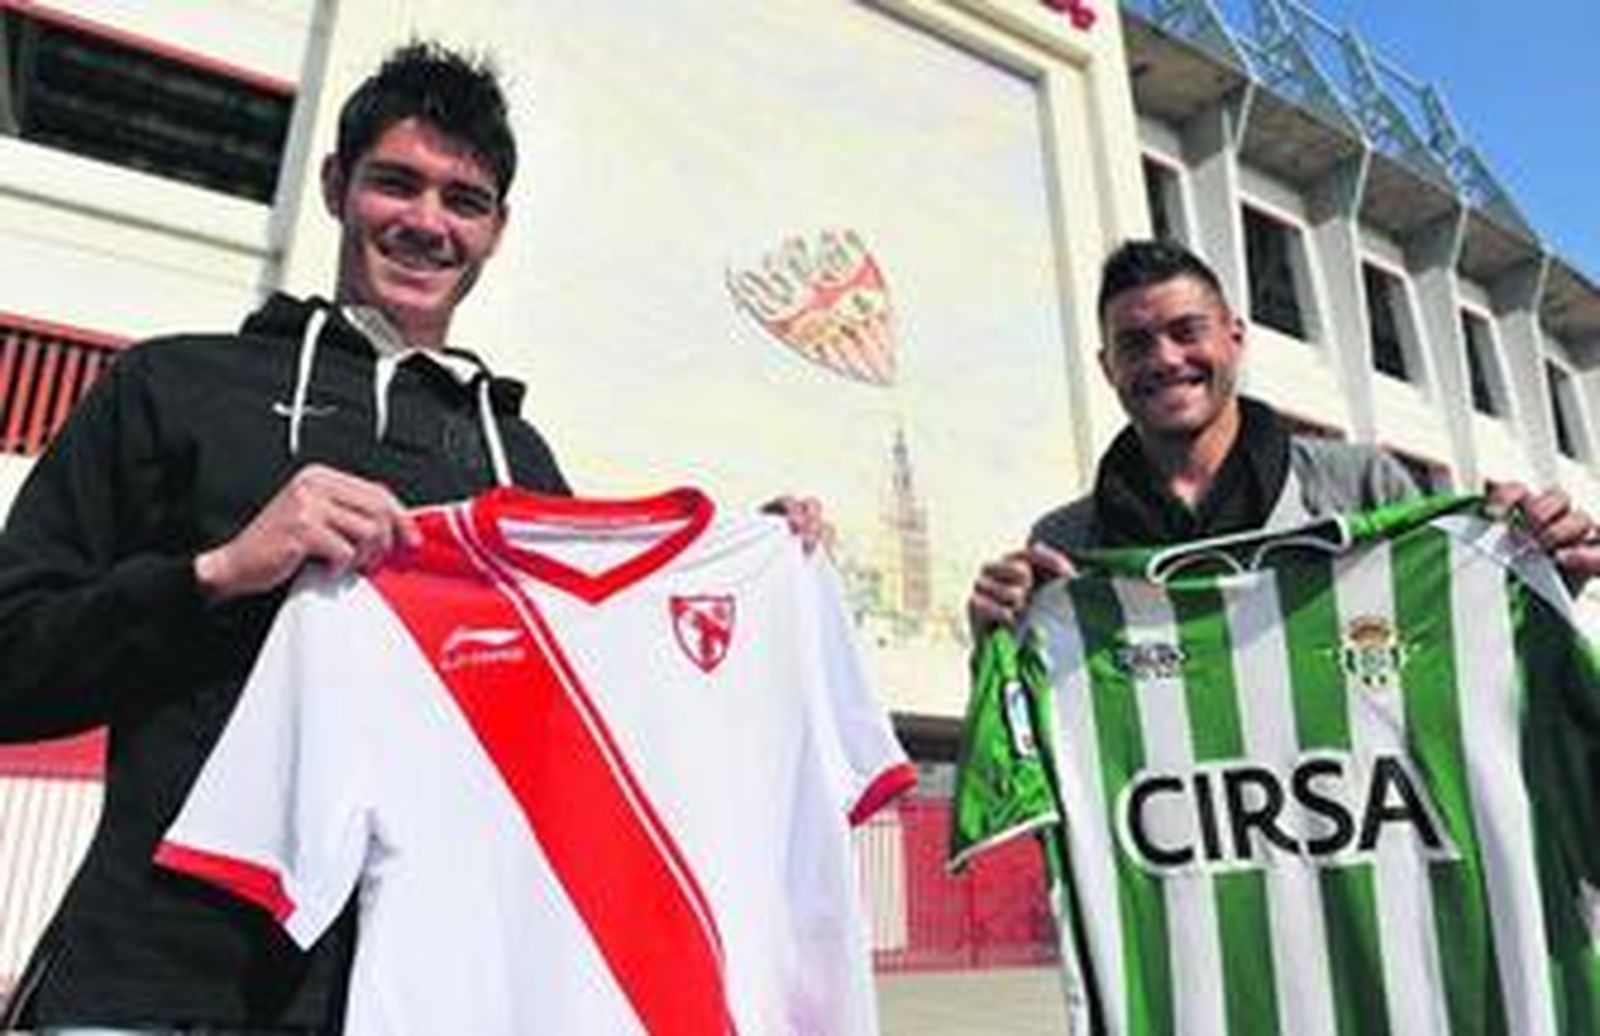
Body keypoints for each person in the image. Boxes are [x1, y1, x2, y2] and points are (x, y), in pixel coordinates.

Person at [0, 43, 819, 1034]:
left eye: (463, 200)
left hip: (424, 998)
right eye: (397, 183)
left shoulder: (520, 463)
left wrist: (749, 566)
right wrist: (216, 572)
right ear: (338, 185)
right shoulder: (172, 388)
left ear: (497, 230)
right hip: (158, 986)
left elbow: (597, 731)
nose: (427, 223)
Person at [968, 237, 1600, 633]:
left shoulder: (1360, 485)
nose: (1164, 358)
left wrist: (1537, 571)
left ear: (1234, 339)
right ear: (1108, 368)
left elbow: (1461, 632)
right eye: (1134, 344)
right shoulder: (1063, 546)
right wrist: (998, 631)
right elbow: (1042, 726)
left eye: (1187, 331)